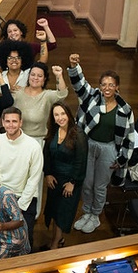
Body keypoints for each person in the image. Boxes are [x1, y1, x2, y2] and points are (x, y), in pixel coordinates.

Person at [68, 53, 134, 234]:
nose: (107, 88)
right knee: (87, 183)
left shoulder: (125, 109)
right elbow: (79, 84)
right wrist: (74, 66)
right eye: (104, 84)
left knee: (99, 186)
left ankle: (96, 216)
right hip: (89, 145)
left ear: (117, 87)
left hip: (108, 150)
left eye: (111, 85)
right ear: (99, 86)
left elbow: (129, 136)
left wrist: (121, 159)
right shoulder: (92, 97)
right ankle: (86, 212)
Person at [0, 107, 44, 249]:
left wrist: (20, 205)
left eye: (14, 121)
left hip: (25, 198)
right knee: (1, 237)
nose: (10, 125)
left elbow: (34, 179)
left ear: (21, 123)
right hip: (2, 197)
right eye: (7, 121)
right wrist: (1, 199)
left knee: (25, 237)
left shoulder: (33, 146)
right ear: (2, 123)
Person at [44, 102, 87, 250]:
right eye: (56, 115)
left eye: (63, 114)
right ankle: (58, 238)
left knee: (63, 213)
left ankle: (55, 244)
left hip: (70, 180)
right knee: (55, 210)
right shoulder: (53, 131)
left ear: (68, 115)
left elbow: (81, 162)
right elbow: (47, 154)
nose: (60, 117)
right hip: (55, 179)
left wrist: (73, 182)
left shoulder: (78, 134)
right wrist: (48, 174)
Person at [13, 63, 69, 143]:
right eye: (32, 75)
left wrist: (59, 76)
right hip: (19, 139)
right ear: (28, 76)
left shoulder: (47, 95)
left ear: (44, 79)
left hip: (40, 140)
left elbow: (62, 94)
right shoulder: (17, 93)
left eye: (39, 76)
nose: (35, 78)